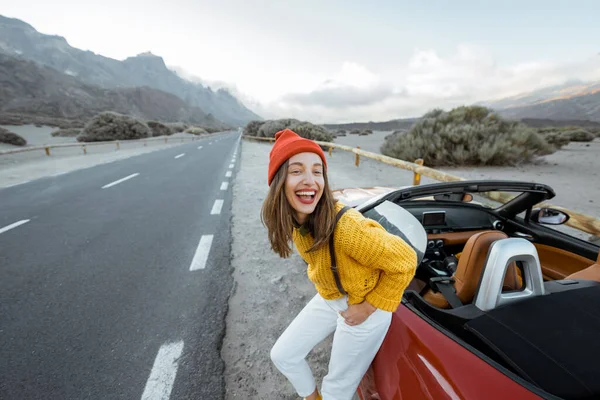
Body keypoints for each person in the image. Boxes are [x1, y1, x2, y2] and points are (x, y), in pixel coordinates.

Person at [261, 128, 418, 400]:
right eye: (296, 171)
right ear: (278, 182)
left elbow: (405, 260)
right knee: (283, 355)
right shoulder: (297, 221)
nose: (311, 181)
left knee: (337, 390)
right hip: (333, 296)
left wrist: (367, 308)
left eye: (317, 171)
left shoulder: (347, 229)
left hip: (366, 306)